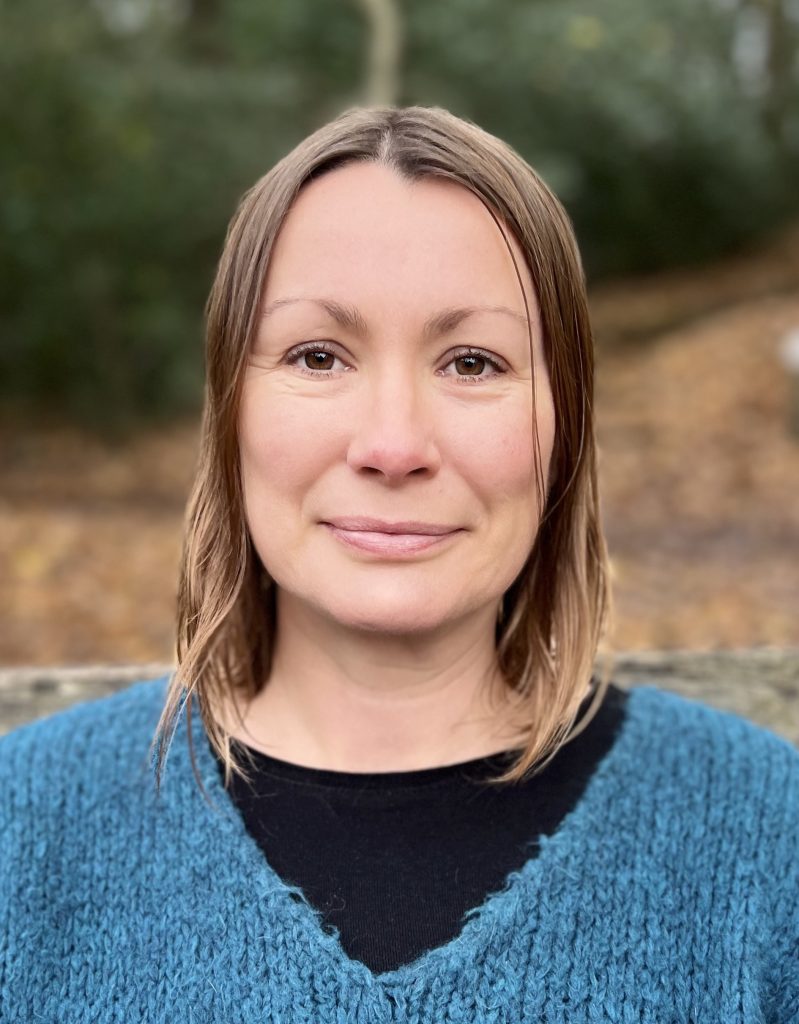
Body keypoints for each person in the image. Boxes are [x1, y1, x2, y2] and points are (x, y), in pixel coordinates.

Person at [1, 105, 797, 1023]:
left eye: (470, 362)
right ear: (228, 412)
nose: (392, 443)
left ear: (564, 425)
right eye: (316, 355)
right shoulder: (23, 833)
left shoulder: (765, 840)